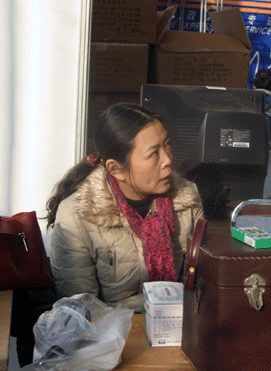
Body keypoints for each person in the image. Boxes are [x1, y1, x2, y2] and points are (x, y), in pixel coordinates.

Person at [45, 103, 204, 313]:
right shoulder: (76, 217)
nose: (168, 159)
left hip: (175, 324)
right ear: (116, 169)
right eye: (153, 154)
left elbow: (199, 286)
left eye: (167, 145)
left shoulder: (187, 199)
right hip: (112, 329)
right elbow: (81, 309)